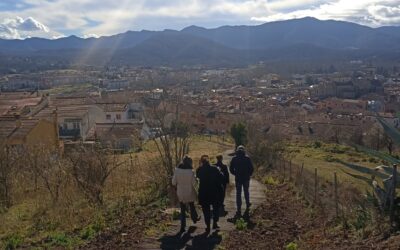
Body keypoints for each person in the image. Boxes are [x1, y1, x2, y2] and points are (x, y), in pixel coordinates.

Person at [196, 155, 224, 233]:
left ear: (202, 162)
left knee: (206, 210)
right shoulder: (215, 169)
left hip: (204, 193)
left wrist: (199, 165)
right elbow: (222, 178)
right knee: (216, 208)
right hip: (214, 192)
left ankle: (207, 225)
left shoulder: (200, 170)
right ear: (209, 162)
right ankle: (215, 222)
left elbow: (197, 175)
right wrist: (219, 170)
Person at [172, 156, 201, 232]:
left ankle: (183, 226)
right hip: (189, 191)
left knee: (182, 209)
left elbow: (173, 182)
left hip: (180, 192)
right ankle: (194, 218)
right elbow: (194, 183)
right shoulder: (191, 172)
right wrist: (196, 179)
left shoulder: (177, 171)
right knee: (191, 205)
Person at [229, 145, 254, 217]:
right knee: (246, 191)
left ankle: (239, 208)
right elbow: (251, 168)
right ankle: (247, 203)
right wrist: (249, 174)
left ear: (237, 150)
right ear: (244, 150)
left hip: (238, 179)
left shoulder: (234, 158)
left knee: (238, 194)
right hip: (246, 178)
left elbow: (231, 169)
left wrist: (235, 174)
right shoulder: (247, 158)